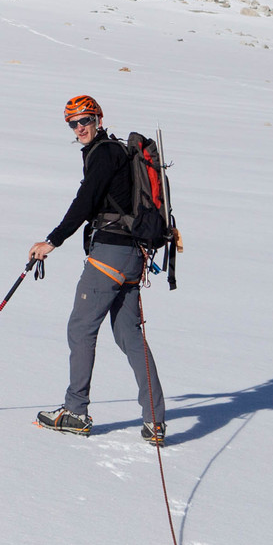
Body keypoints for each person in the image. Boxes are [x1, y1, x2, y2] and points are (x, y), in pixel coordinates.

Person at [28, 94, 167, 443]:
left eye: (85, 121)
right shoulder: (114, 151)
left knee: (81, 327)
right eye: (72, 123)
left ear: (98, 119)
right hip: (133, 257)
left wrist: (52, 241)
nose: (79, 128)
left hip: (111, 255)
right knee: (129, 336)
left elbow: (85, 201)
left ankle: (75, 411)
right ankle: (155, 419)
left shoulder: (105, 153)